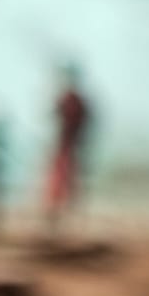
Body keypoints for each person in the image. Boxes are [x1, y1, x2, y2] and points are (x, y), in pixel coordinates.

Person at [46, 66, 91, 231]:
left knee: (67, 180)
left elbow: (85, 120)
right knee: (61, 180)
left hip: (71, 146)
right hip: (64, 145)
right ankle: (56, 212)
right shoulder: (69, 99)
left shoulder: (76, 101)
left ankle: (65, 213)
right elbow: (54, 113)